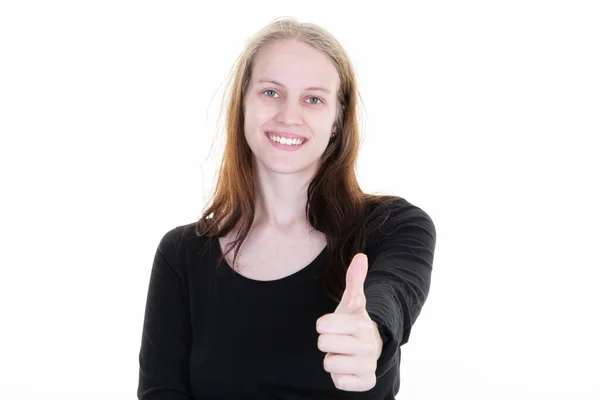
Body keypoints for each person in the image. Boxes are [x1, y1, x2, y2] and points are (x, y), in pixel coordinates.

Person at [137, 17, 436, 400]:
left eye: (313, 99)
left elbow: (392, 294)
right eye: (271, 92)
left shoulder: (395, 226)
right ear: (243, 104)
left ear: (336, 122)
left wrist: (372, 334)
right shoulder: (181, 254)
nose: (289, 116)